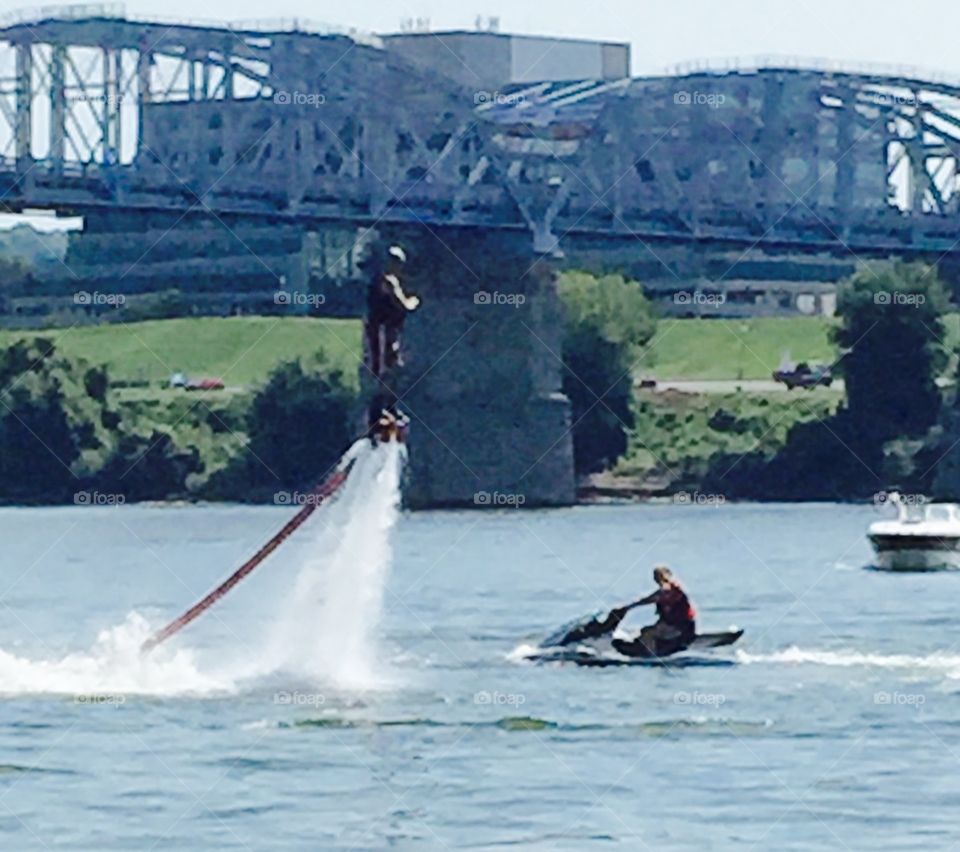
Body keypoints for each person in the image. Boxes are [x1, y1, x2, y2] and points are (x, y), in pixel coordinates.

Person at [612, 566, 697, 657]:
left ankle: (650, 655)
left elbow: (654, 597)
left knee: (647, 633)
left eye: (659, 576)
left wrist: (629, 607)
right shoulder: (669, 589)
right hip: (676, 625)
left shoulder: (669, 590)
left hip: (681, 627)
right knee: (643, 632)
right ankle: (642, 647)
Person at [365, 245, 420, 377]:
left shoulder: (376, 279)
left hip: (377, 327)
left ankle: (379, 386)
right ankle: (386, 389)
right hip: (385, 329)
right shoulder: (389, 281)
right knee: (388, 362)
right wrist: (415, 300)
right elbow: (403, 304)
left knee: (377, 361)